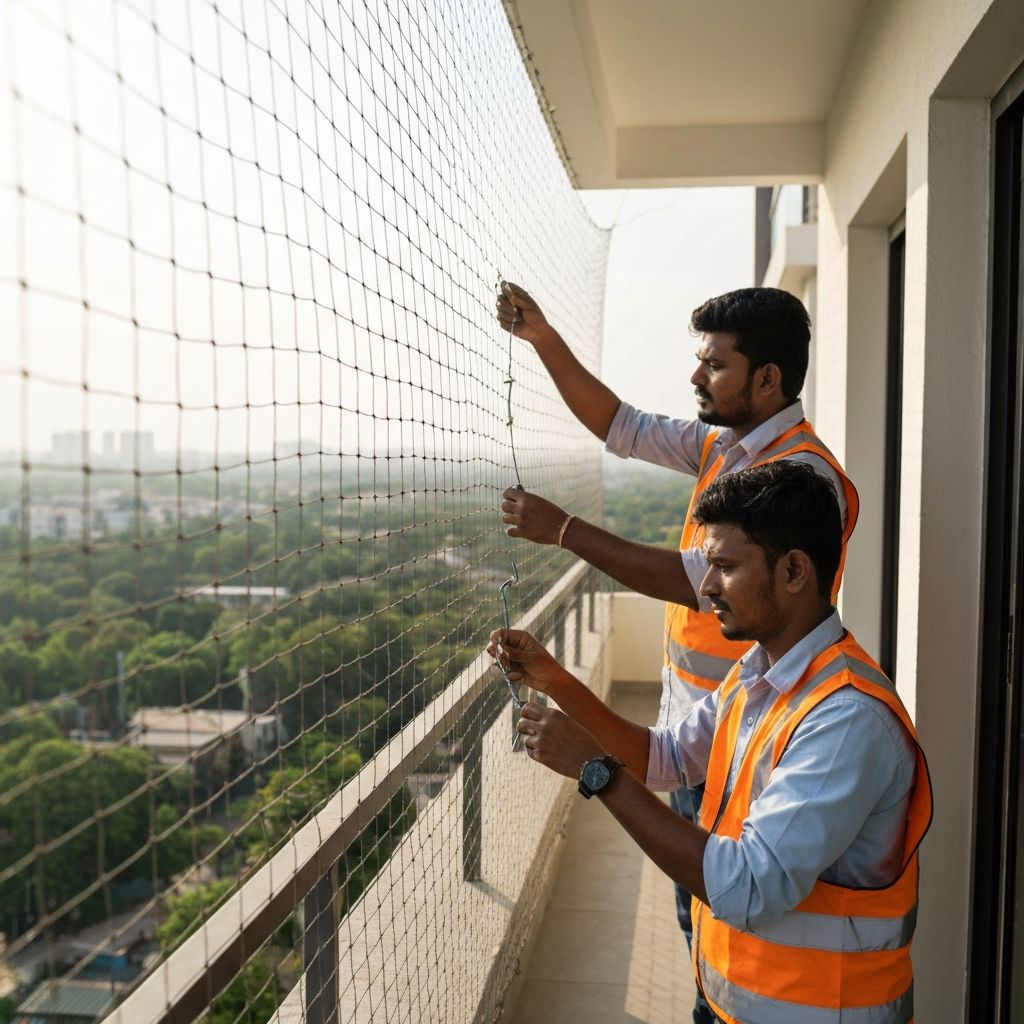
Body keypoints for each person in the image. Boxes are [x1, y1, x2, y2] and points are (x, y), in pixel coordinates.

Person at [495, 282, 859, 1023]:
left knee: (726, 902)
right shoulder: (723, 445)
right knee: (704, 921)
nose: (696, 379)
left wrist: (567, 531)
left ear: (768, 379)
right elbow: (619, 424)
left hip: (760, 730)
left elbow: (690, 581)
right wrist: (544, 341)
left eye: (714, 366)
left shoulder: (801, 477)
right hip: (711, 722)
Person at [488, 462, 931, 1024]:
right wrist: (552, 678)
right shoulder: (761, 672)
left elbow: (747, 886)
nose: (705, 586)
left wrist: (596, 772)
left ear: (794, 571)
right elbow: (664, 758)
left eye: (723, 565)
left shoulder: (846, 720)